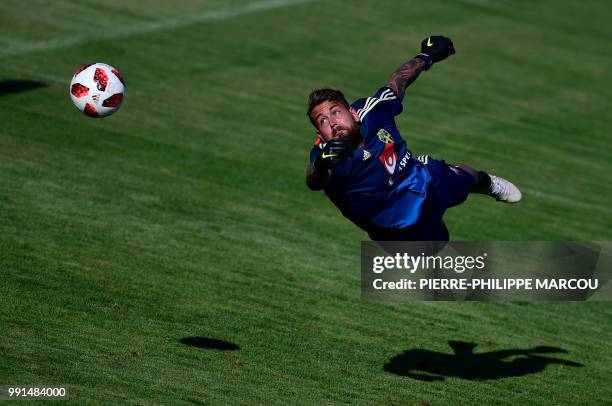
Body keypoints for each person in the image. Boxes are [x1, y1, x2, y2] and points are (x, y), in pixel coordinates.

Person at [305, 36, 521, 242]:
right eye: (322, 121)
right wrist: (322, 164)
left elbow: (398, 81)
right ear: (320, 134)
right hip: (393, 226)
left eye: (335, 112)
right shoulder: (327, 156)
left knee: (464, 176)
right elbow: (314, 180)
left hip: (423, 180)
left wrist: (427, 56)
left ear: (353, 113)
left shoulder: (372, 110)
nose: (332, 122)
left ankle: (489, 183)